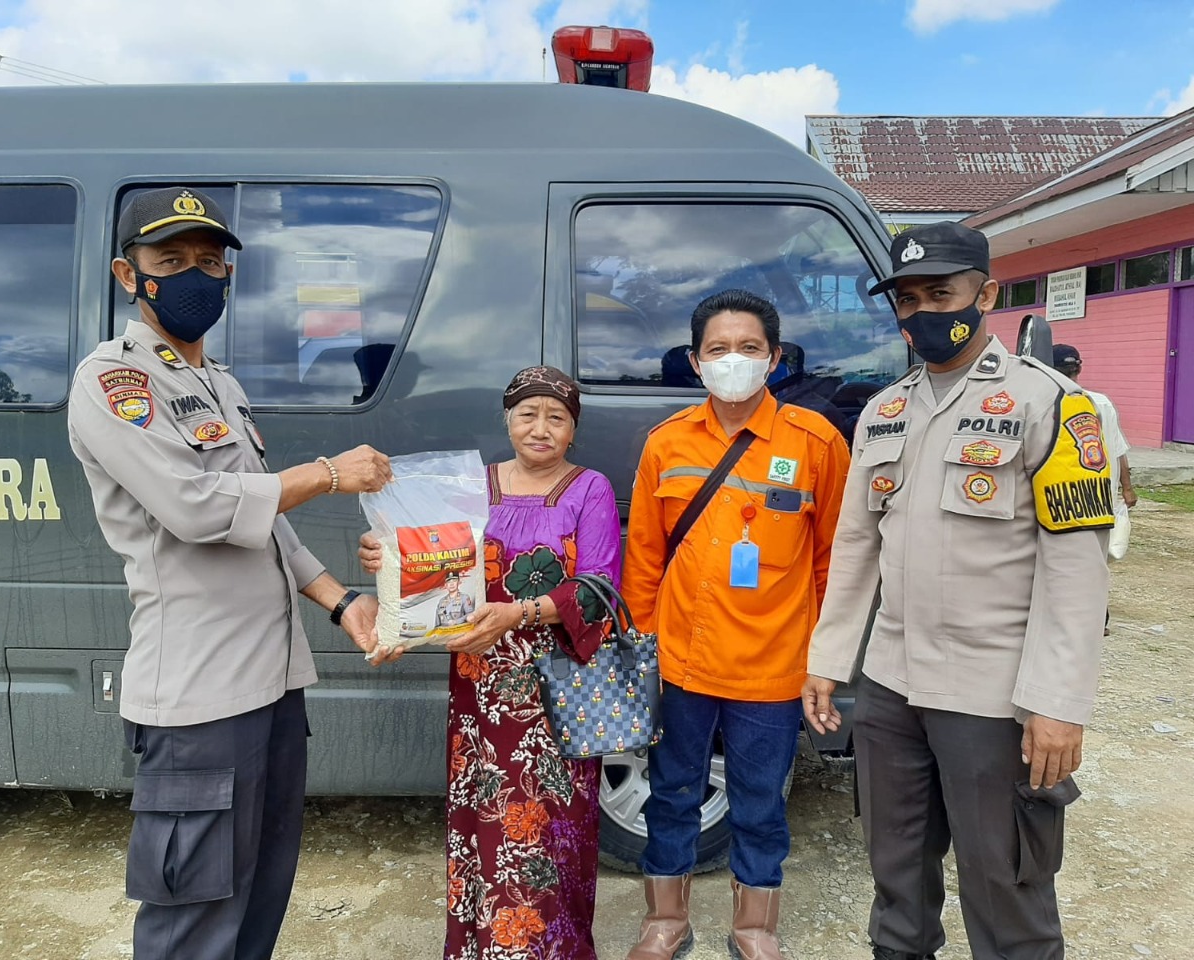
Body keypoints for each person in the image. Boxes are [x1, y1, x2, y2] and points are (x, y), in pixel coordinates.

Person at [67, 186, 394, 960]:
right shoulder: (113, 381)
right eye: (172, 260)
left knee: (258, 901)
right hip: (200, 700)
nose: (195, 275)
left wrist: (341, 600)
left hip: (273, 689)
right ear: (128, 275)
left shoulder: (221, 383)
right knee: (195, 920)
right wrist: (327, 473)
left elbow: (263, 521)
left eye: (210, 262)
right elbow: (196, 507)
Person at [803, 221, 1113, 960]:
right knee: (897, 882)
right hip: (890, 686)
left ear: (987, 294)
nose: (922, 313)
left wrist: (1057, 704)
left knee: (1005, 886)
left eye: (940, 294)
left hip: (992, 694)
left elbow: (1076, 570)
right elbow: (856, 546)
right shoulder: (883, 411)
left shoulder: (1052, 404)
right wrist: (829, 658)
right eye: (907, 300)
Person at [359, 365, 621, 960]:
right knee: (484, 818)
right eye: (528, 414)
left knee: (551, 825)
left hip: (558, 690)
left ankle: (553, 948)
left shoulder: (590, 489)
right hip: (480, 689)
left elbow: (599, 589)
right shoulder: (471, 486)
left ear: (573, 429)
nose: (540, 428)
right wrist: (385, 553)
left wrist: (519, 613)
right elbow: (426, 556)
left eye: (557, 418)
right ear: (507, 420)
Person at [620, 289, 851, 960]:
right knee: (672, 794)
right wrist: (639, 651)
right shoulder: (667, 443)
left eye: (749, 348)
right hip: (681, 663)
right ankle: (665, 921)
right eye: (718, 349)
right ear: (696, 361)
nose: (733, 360)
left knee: (759, 802)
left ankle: (755, 928)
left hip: (772, 667)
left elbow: (836, 561)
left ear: (775, 359)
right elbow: (644, 557)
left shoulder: (816, 443)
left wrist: (824, 661)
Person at [1054, 342, 1137, 629]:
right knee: (1095, 559)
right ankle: (1099, 617)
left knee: (1064, 560)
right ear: (1079, 368)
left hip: (1065, 496)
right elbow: (1118, 449)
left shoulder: (1052, 401)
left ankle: (1078, 619)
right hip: (1101, 498)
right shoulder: (1102, 402)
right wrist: (1127, 488)